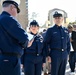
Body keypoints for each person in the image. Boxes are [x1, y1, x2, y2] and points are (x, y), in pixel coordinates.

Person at [0, 0, 32, 75]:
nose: (17, 14)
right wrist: (27, 44)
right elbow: (24, 38)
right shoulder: (9, 19)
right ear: (12, 7)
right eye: (17, 10)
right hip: (10, 60)